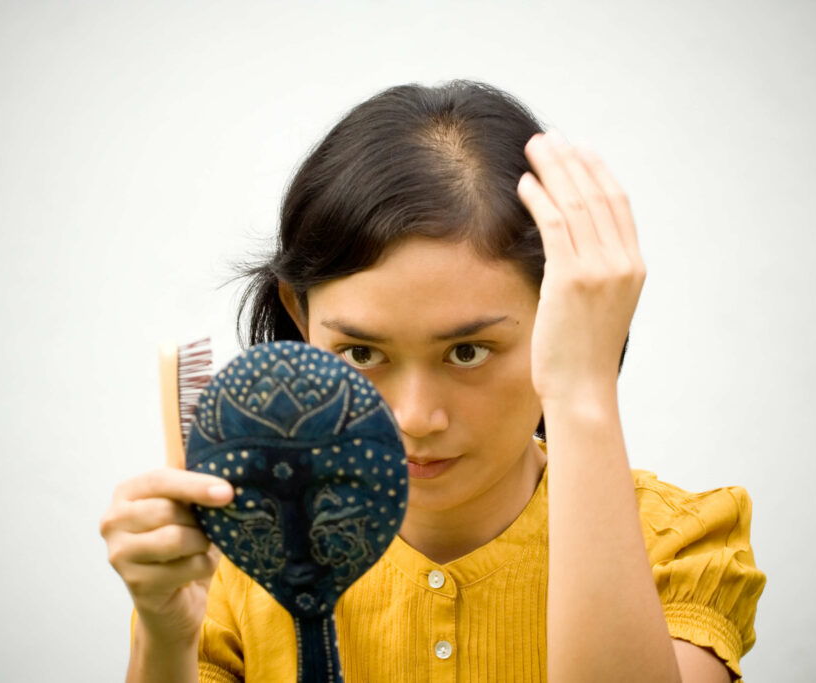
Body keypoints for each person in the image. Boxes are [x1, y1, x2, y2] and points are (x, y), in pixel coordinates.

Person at [100, 80, 766, 682]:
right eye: (362, 352)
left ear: (559, 320)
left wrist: (585, 389)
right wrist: (165, 637)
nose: (415, 417)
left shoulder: (676, 542)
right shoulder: (236, 559)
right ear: (301, 317)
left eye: (468, 351)